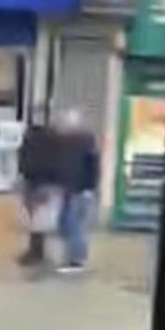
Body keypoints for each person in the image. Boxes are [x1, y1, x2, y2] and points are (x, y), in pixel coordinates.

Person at [56, 109, 99, 274]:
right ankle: (71, 256)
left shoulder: (86, 142)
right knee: (65, 224)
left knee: (74, 225)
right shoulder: (65, 143)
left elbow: (93, 167)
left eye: (69, 122)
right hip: (68, 189)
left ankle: (76, 260)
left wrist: (89, 188)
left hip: (80, 190)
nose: (66, 125)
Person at [17, 115, 63, 267]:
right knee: (42, 220)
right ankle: (39, 251)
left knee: (34, 220)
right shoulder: (55, 144)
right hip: (49, 185)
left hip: (34, 184)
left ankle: (35, 252)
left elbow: (24, 165)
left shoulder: (30, 144)